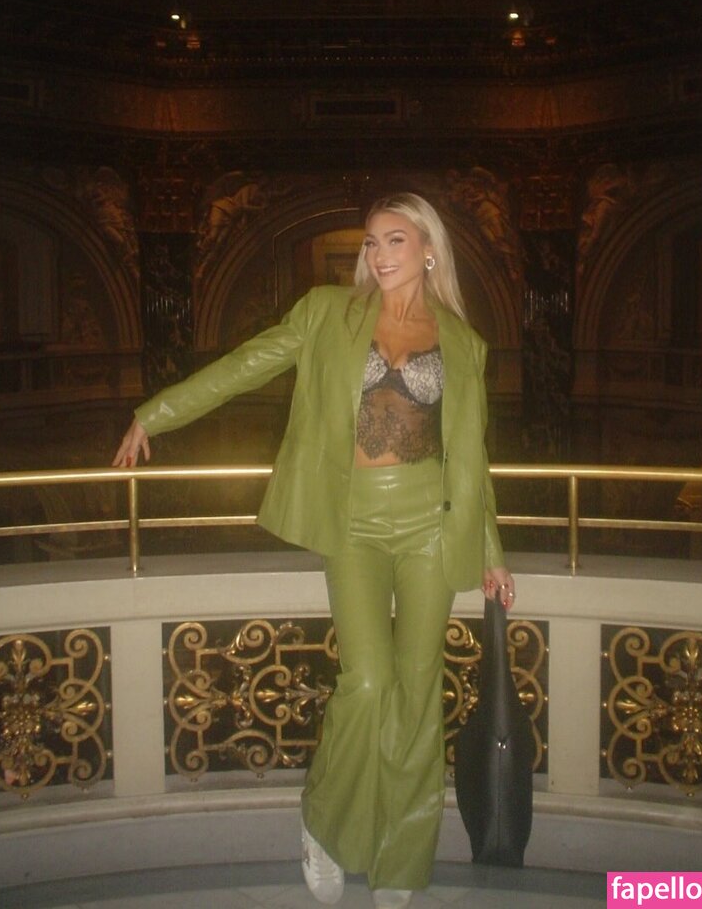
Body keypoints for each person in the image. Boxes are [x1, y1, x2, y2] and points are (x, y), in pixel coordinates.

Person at [113, 192, 516, 909]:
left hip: (430, 525)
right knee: (368, 681)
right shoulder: (329, 312)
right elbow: (245, 364)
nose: (379, 255)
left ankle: (400, 858)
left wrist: (492, 548)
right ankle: (326, 827)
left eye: (394, 240)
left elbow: (471, 457)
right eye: (371, 242)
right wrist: (157, 413)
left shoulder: (463, 342)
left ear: (429, 249)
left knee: (417, 692)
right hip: (353, 521)